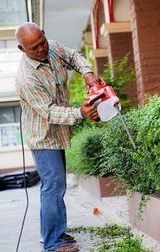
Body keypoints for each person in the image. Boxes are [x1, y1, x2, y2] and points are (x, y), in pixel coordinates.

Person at [15, 22, 99, 252]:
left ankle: (57, 234)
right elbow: (50, 112)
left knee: (56, 185)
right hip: (43, 136)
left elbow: (72, 55)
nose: (42, 48)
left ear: (44, 34)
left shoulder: (51, 48)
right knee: (53, 186)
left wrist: (88, 74)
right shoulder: (27, 78)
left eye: (42, 41)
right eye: (34, 48)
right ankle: (52, 243)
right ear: (23, 50)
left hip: (57, 132)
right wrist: (81, 113)